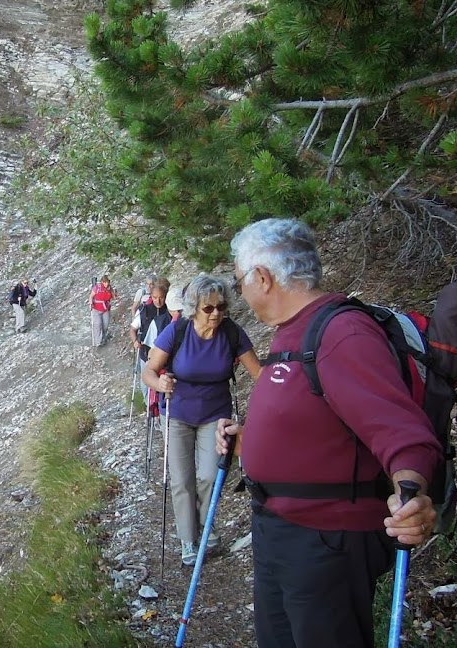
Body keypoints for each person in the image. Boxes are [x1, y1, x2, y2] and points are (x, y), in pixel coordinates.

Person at [216, 217, 441, 648]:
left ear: (262, 278)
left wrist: (411, 493)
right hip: (282, 530)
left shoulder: (341, 332)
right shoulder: (294, 332)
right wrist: (249, 439)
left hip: (325, 542)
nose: (241, 289)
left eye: (240, 278)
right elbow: (318, 419)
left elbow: (402, 431)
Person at [142, 274, 261, 567]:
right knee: (182, 480)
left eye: (221, 306)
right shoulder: (177, 332)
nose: (216, 313)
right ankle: (188, 538)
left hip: (215, 415)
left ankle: (206, 528)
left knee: (210, 476)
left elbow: (260, 373)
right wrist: (160, 385)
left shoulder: (232, 333)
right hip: (178, 413)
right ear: (194, 308)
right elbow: (149, 370)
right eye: (209, 308)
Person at [89, 275, 115, 347]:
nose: (106, 284)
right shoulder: (97, 288)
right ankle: (98, 342)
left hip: (105, 309)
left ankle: (103, 337)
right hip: (96, 309)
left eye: (107, 282)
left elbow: (113, 296)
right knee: (97, 325)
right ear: (102, 282)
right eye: (105, 282)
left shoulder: (110, 289)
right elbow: (91, 296)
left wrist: (115, 295)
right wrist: (91, 303)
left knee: (105, 325)